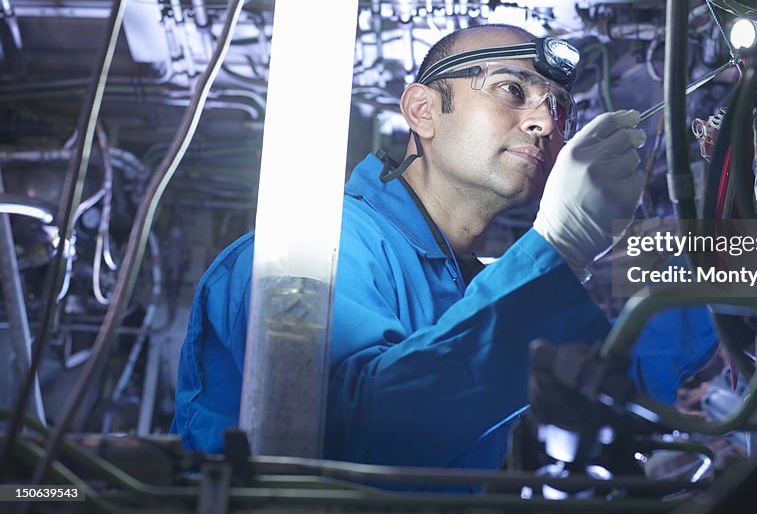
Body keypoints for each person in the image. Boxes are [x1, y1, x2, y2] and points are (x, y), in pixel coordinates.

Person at [172, 24, 717, 471]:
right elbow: (368, 436)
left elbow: (612, 382)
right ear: (423, 110)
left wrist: (745, 237)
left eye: (558, 106)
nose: (546, 122)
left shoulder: (477, 287)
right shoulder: (313, 249)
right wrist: (559, 247)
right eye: (512, 90)